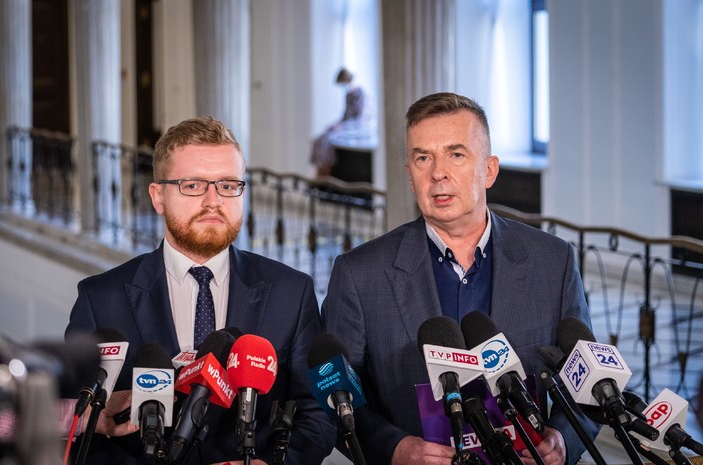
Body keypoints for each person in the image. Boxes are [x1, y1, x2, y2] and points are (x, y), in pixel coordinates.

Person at [321, 92, 598, 465]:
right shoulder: (359, 274)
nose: (438, 173)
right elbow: (334, 397)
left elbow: (588, 385)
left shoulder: (553, 261)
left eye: (456, 154)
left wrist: (563, 440)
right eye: (423, 158)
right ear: (410, 174)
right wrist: (393, 448)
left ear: (489, 170)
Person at [65, 117, 335, 465]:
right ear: (158, 197)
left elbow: (317, 412)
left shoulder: (291, 292)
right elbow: (78, 426)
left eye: (228, 185)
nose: (213, 200)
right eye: (192, 185)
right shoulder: (100, 299)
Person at [310, 67, 366, 177]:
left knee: (328, 140)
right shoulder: (348, 95)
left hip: (354, 129)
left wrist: (342, 125)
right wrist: (337, 124)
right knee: (319, 139)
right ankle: (320, 170)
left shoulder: (359, 94)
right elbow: (344, 116)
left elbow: (359, 118)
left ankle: (326, 169)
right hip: (345, 126)